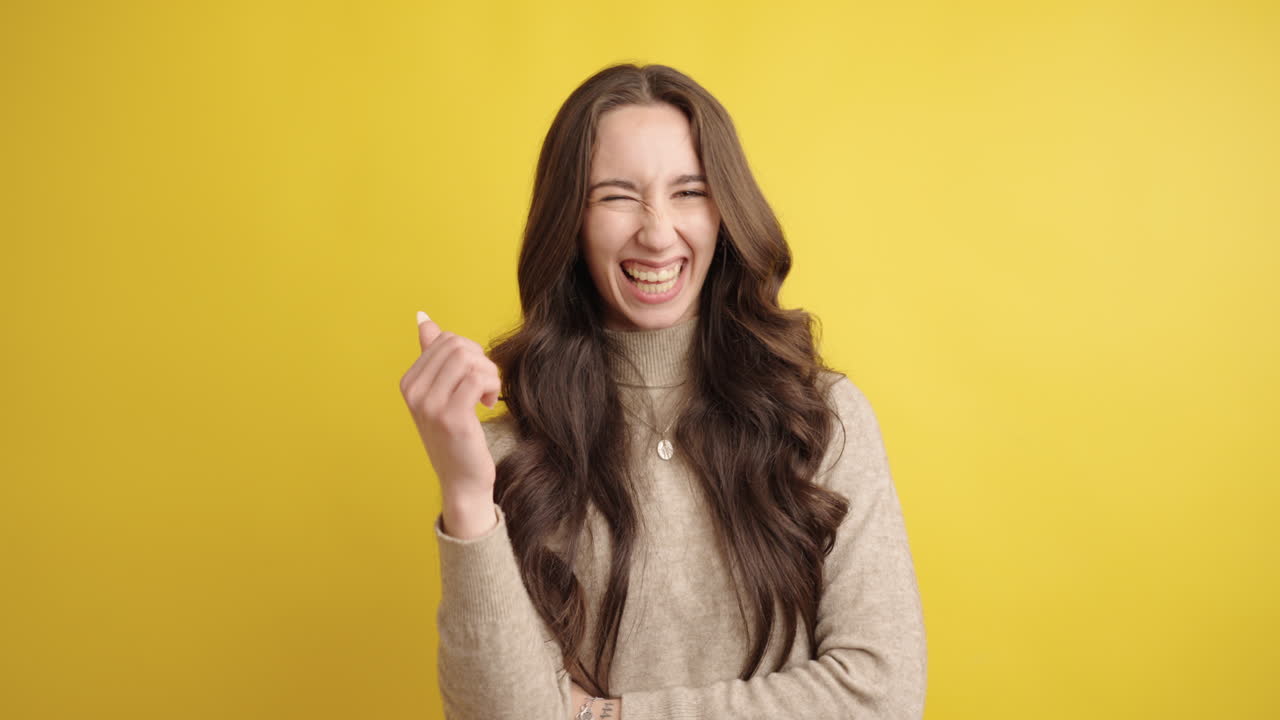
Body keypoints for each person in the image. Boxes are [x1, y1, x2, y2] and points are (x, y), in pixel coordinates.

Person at [399, 63, 927, 720]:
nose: (656, 232)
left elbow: (881, 694)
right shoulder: (513, 449)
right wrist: (467, 493)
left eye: (689, 192)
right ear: (571, 221)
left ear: (725, 212)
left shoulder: (820, 417)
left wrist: (606, 714)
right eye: (617, 196)